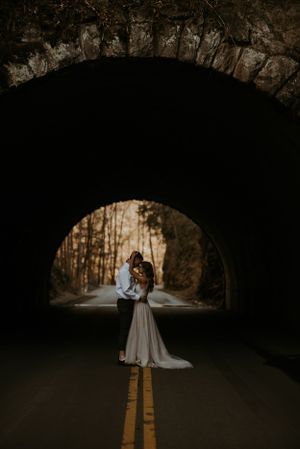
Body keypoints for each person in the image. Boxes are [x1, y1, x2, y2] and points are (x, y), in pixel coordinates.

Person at [124, 251, 193, 369]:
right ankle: (140, 354)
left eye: (140, 267)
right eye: (138, 266)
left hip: (141, 308)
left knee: (142, 331)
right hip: (140, 307)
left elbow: (131, 271)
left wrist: (133, 258)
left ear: (145, 269)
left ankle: (144, 356)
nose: (138, 268)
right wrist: (130, 262)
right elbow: (132, 277)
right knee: (140, 331)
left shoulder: (144, 280)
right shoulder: (143, 279)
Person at [116, 250, 144, 365]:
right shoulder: (124, 271)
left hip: (129, 302)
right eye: (139, 262)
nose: (138, 265)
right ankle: (121, 356)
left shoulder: (129, 271)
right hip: (124, 302)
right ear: (135, 259)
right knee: (124, 328)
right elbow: (126, 290)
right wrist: (138, 297)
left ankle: (130, 354)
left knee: (130, 328)